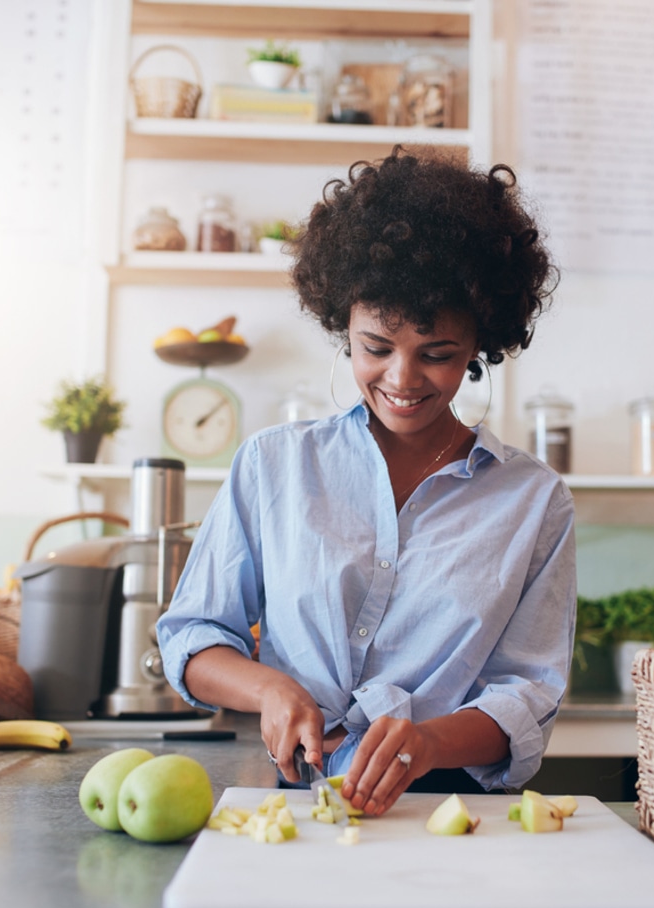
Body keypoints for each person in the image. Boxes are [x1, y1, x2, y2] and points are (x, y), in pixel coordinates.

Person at [157, 146, 576, 817]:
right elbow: (193, 634)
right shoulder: (274, 466)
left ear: (478, 348)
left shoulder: (533, 502)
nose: (403, 379)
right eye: (375, 347)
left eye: (437, 354)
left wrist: (431, 742)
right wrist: (272, 689)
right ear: (341, 327)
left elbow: (527, 692)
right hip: (299, 809)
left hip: (453, 814)